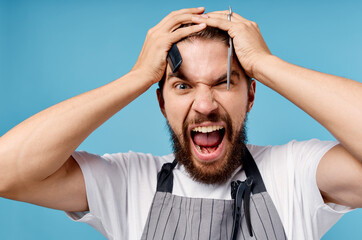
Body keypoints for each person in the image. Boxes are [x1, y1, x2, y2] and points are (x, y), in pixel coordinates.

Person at [0, 7, 361, 240]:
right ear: (160, 101)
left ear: (251, 95)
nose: (204, 105)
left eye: (223, 82)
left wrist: (267, 64)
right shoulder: (128, 185)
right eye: (183, 85)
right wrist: (137, 77)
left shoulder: (294, 174)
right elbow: (6, 172)